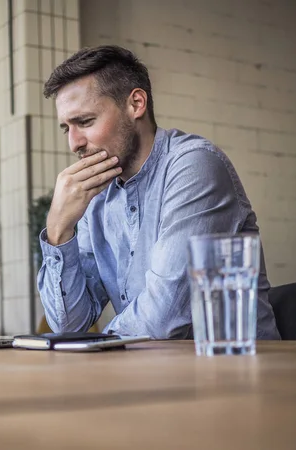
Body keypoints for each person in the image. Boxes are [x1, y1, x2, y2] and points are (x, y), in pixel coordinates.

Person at [37, 45, 280, 340]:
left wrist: (97, 344)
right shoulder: (96, 197)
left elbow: (163, 318)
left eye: (85, 122)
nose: (74, 143)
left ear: (136, 103)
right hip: (153, 374)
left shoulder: (194, 166)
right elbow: (69, 326)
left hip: (233, 375)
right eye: (66, 128)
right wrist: (59, 230)